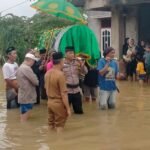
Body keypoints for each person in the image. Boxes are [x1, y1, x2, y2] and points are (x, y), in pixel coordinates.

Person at [45, 52, 71, 133]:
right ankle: (59, 143)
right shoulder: (60, 75)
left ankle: (50, 142)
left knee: (50, 124)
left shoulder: (47, 73)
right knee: (60, 125)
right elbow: (64, 94)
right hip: (58, 102)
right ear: (61, 61)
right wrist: (68, 108)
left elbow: (46, 88)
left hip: (49, 102)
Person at [63, 46, 88, 114]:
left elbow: (85, 72)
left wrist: (82, 65)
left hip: (76, 90)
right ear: (66, 54)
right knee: (65, 112)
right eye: (70, 53)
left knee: (79, 112)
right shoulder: (62, 63)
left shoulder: (77, 62)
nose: (72, 55)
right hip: (66, 91)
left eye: (73, 53)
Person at [16, 53, 39, 122]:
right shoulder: (26, 68)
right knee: (24, 119)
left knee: (23, 117)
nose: (34, 63)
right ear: (30, 60)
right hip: (27, 97)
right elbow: (36, 82)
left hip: (24, 95)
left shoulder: (21, 67)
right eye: (33, 61)